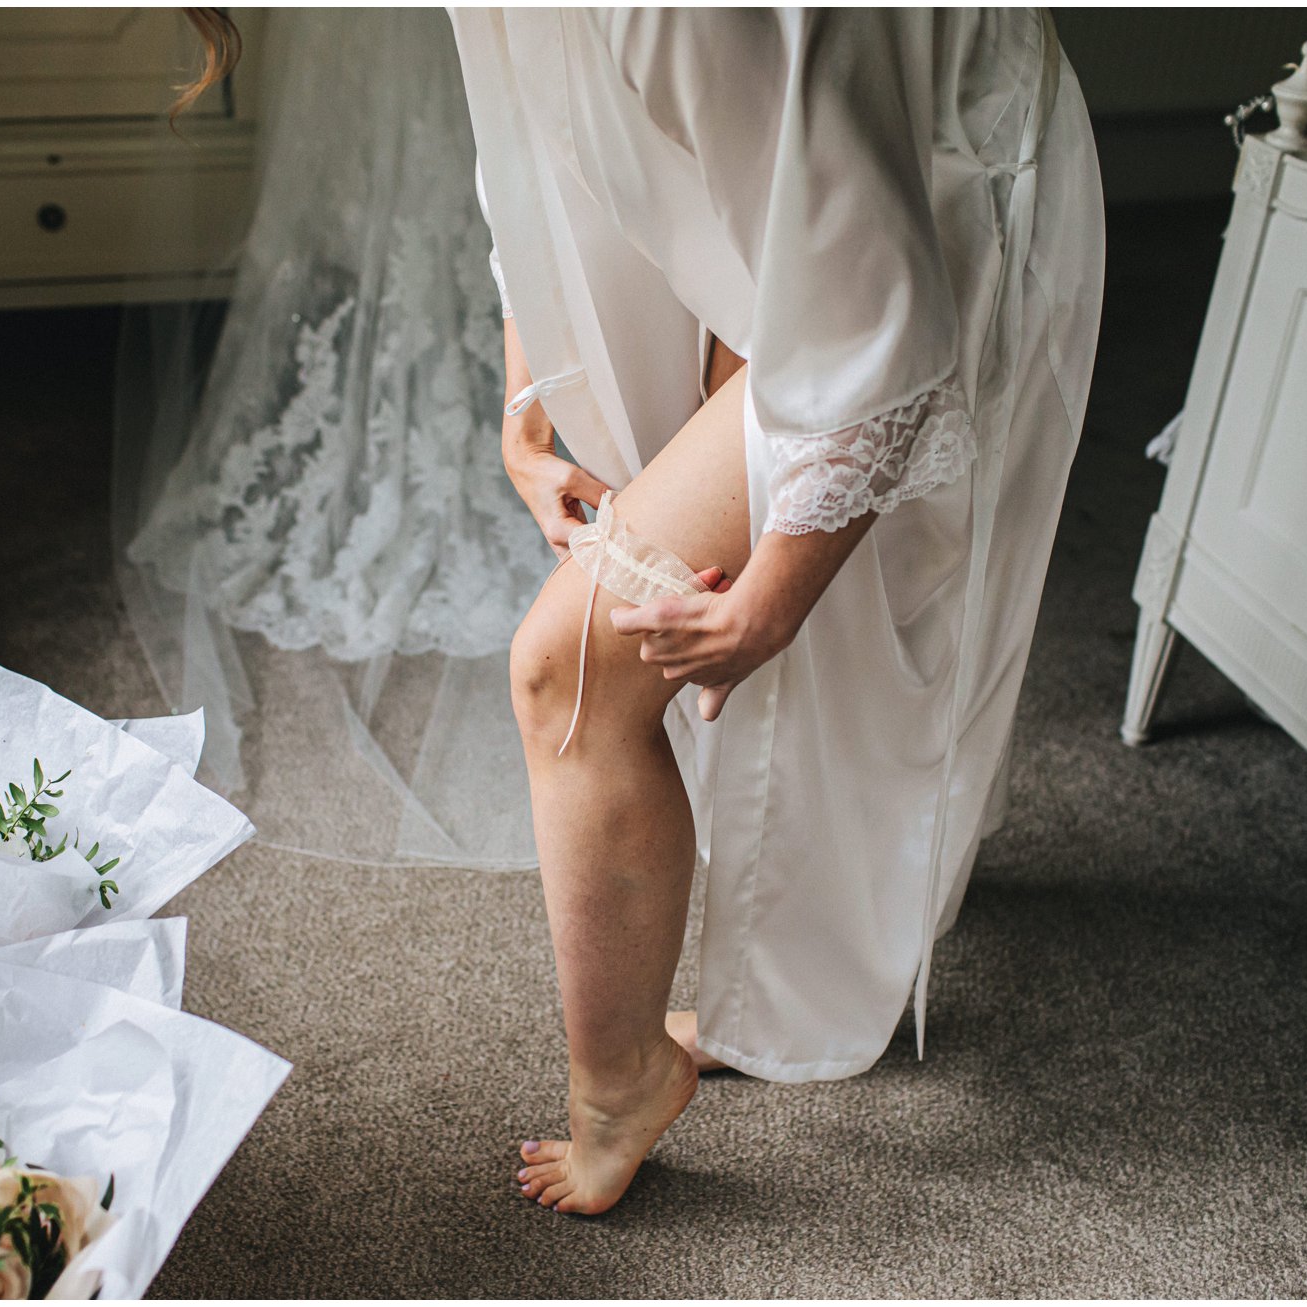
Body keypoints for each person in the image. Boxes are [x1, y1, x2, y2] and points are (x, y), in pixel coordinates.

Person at [450, 8, 1106, 1215]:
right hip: (772, 190)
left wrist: (775, 599)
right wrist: (527, 394)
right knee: (718, 613)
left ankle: (620, 1085)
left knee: (570, 669)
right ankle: (788, 948)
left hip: (932, 174)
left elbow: (879, 320)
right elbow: (537, 141)